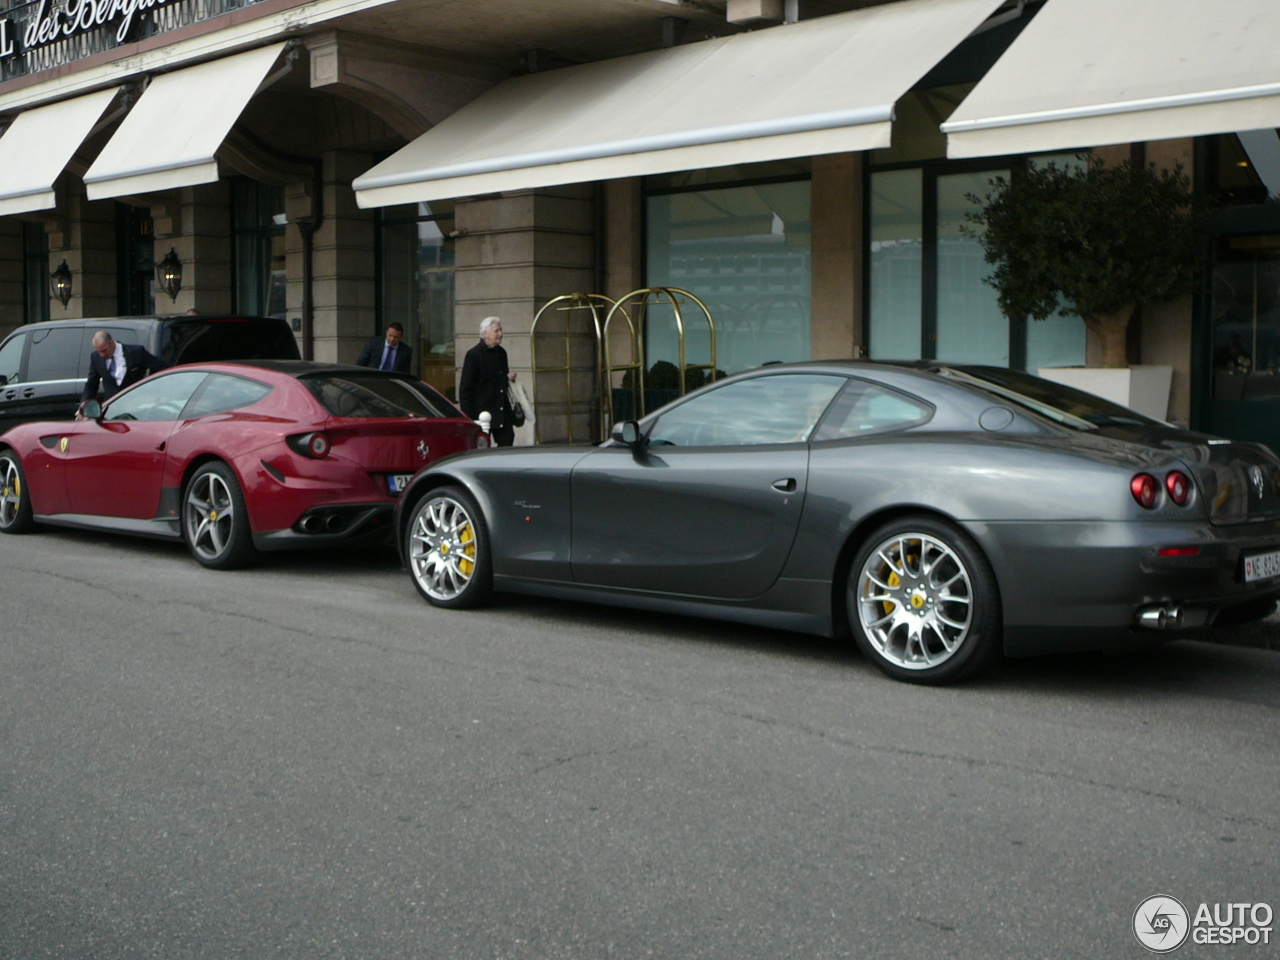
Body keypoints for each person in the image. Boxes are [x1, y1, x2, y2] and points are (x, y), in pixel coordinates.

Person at [459, 316, 517, 447]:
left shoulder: (502, 353)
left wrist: (507, 378)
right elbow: (465, 390)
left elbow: (499, 381)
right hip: (482, 413)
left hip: (501, 410)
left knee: (507, 441)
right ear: (485, 333)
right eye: (496, 331)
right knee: (482, 447)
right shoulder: (473, 355)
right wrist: (471, 419)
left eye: (501, 330)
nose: (500, 334)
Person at [81, 331, 167, 402]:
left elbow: (161, 367)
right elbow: (91, 384)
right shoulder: (95, 357)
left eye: (104, 350)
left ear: (112, 343)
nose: (102, 355)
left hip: (137, 404)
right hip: (112, 406)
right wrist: (84, 405)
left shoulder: (136, 352)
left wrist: (154, 391)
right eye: (98, 351)